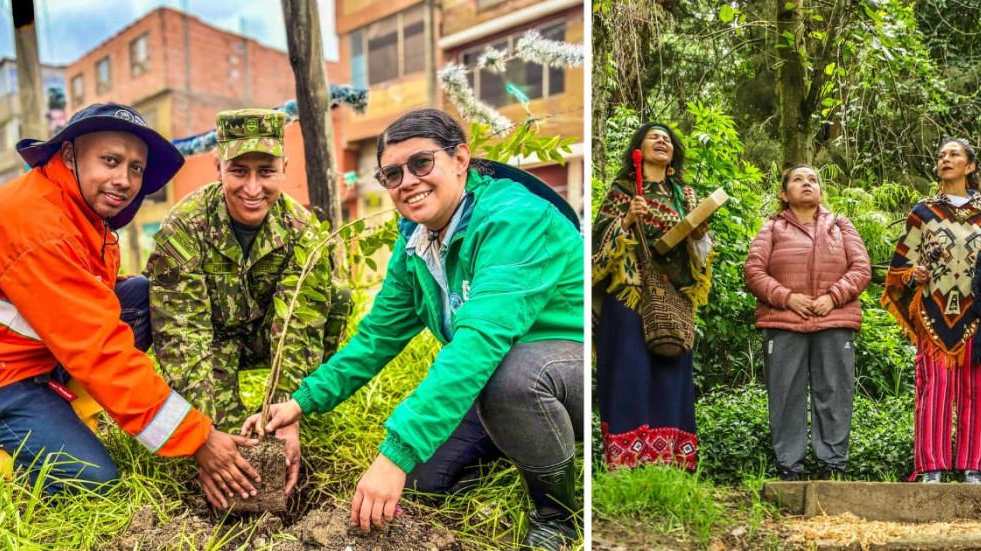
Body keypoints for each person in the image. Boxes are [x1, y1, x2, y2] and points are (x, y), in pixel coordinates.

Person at [243, 109, 583, 550]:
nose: (408, 181)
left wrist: (394, 455)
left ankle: (557, 515)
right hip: (494, 377)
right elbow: (376, 337)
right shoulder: (415, 241)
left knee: (511, 380)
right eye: (392, 173)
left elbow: (479, 344)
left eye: (422, 164)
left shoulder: (514, 219)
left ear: (460, 159)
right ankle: (521, 439)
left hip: (568, 368)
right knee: (424, 481)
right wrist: (302, 400)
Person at [0, 103, 260, 500]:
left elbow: (92, 304)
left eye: (135, 168)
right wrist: (198, 437)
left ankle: (58, 404)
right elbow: (100, 348)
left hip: (30, 350)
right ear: (69, 155)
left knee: (142, 296)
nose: (124, 179)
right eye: (110, 160)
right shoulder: (37, 224)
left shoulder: (71, 207)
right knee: (89, 480)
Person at [145, 109, 350, 507]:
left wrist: (290, 413)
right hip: (211, 339)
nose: (253, 188)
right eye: (239, 171)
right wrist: (209, 436)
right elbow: (183, 336)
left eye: (266, 172)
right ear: (218, 166)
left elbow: (298, 326)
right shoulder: (184, 226)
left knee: (338, 297)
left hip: (264, 338)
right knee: (223, 433)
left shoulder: (301, 229)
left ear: (284, 169)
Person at [883, 138, 981, 483]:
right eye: (941, 155)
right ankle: (931, 467)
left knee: (977, 389)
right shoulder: (922, 213)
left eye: (954, 154)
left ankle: (978, 467)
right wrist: (914, 274)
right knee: (934, 389)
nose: (945, 159)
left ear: (970, 166)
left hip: (978, 313)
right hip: (933, 312)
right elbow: (898, 268)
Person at [591, 122, 713, 471]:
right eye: (654, 137)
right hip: (629, 295)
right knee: (630, 375)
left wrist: (698, 236)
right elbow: (597, 245)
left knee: (671, 375)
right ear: (638, 150)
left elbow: (702, 258)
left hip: (674, 299)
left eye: (668, 139)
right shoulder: (622, 191)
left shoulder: (685, 196)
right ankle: (629, 464)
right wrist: (627, 220)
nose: (662, 141)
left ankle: (671, 465)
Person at [744, 164, 871, 480]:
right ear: (784, 193)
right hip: (784, 322)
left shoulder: (841, 226)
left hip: (834, 320)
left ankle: (832, 465)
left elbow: (861, 268)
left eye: (812, 180)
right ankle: (790, 467)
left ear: (821, 191)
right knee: (786, 394)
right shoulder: (771, 228)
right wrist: (788, 298)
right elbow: (754, 272)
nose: (806, 184)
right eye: (798, 180)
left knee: (835, 393)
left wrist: (833, 297)